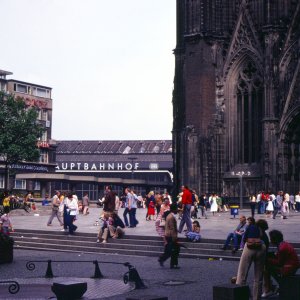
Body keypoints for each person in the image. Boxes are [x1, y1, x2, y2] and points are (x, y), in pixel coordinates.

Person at [262, 230, 300, 298]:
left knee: (266, 269)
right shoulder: (284, 244)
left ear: (274, 239)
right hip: (292, 266)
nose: (270, 240)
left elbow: (279, 263)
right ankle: (276, 286)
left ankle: (269, 289)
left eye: (271, 239)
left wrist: (267, 259)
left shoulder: (282, 248)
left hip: (289, 268)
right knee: (268, 268)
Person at [236, 221, 266, 300]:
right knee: (258, 277)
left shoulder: (251, 227)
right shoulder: (263, 232)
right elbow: (266, 243)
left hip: (249, 248)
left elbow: (244, 238)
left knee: (242, 274)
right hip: (261, 248)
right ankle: (256, 298)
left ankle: (240, 297)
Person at [158, 203, 180, 269]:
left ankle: (163, 259)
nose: (177, 210)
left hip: (169, 235)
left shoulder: (170, 216)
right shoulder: (171, 217)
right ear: (174, 209)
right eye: (176, 208)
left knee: (170, 250)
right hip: (171, 236)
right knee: (174, 250)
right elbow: (172, 228)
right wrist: (175, 238)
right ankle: (172, 264)